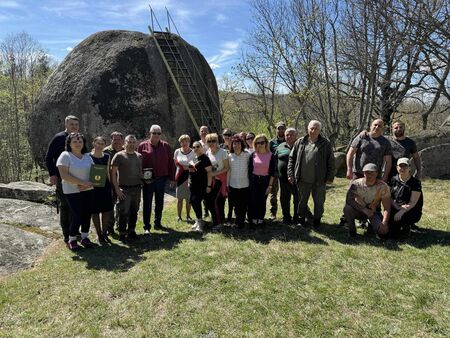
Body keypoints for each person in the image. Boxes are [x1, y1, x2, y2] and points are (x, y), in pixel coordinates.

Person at [288, 121, 335, 227]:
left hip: (319, 179)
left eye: (316, 128)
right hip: (302, 179)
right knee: (301, 201)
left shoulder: (325, 143)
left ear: (319, 130)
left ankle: (317, 220)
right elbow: (292, 158)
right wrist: (290, 174)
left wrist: (330, 177)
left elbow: (331, 161)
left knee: (319, 202)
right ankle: (301, 219)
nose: (313, 130)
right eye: (311, 128)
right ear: (307, 129)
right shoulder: (300, 142)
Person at [56, 133, 94, 250]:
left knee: (87, 214)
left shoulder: (87, 156)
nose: (78, 144)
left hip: (87, 189)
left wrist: (88, 184)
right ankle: (72, 239)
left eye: (80, 142)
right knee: (76, 215)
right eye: (75, 142)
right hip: (72, 191)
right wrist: (82, 184)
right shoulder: (65, 155)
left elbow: (94, 173)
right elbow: (64, 175)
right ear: (69, 143)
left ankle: (85, 237)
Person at [45, 115, 79, 243]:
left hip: (77, 178)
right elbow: (49, 157)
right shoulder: (59, 138)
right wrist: (52, 174)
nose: (74, 127)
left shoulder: (79, 139)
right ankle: (67, 234)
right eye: (71, 124)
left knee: (76, 205)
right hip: (62, 178)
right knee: (65, 206)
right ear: (66, 125)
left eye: (76, 124)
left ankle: (75, 231)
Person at [138, 125, 176, 234]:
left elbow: (171, 163)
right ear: (150, 133)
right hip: (148, 180)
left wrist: (172, 178)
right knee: (147, 203)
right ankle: (146, 226)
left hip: (161, 179)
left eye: (158, 133)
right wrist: (140, 177)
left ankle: (157, 222)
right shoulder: (142, 146)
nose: (156, 135)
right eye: (154, 133)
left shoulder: (166, 146)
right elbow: (138, 163)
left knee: (159, 202)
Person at [343, 163, 391, 238]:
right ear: (363, 174)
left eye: (372, 173)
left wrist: (384, 222)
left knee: (383, 232)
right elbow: (349, 200)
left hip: (374, 213)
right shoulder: (356, 184)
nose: (369, 175)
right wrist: (364, 209)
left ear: (377, 174)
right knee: (347, 208)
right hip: (359, 210)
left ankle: (372, 227)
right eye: (367, 173)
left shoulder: (383, 186)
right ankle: (352, 231)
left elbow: (387, 208)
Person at [111, 135, 143, 242]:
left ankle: (131, 231)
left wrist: (146, 177)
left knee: (135, 210)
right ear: (125, 143)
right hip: (124, 189)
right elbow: (113, 173)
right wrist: (117, 189)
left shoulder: (139, 156)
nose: (131, 144)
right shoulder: (119, 156)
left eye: (134, 142)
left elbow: (140, 172)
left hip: (137, 188)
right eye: (129, 142)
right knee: (123, 212)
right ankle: (122, 233)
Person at [389, 157, 423, 238]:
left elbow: (412, 203)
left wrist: (402, 211)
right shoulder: (393, 180)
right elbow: (389, 197)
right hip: (396, 207)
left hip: (410, 210)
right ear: (397, 167)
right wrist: (397, 207)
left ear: (410, 168)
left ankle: (407, 227)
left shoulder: (415, 183)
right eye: (400, 166)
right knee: (389, 233)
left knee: (402, 224)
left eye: (405, 166)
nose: (402, 168)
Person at [90, 136, 114, 243]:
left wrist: (111, 186)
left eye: (102, 144)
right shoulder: (87, 156)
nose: (99, 146)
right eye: (97, 143)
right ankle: (99, 235)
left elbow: (107, 172)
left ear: (105, 145)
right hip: (92, 187)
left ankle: (105, 234)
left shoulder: (107, 156)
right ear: (93, 143)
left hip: (105, 187)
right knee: (94, 212)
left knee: (106, 211)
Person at [248, 134, 277, 226]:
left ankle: (260, 219)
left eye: (262, 142)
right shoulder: (253, 155)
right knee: (253, 200)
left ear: (266, 143)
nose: (260, 144)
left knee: (262, 201)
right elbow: (249, 170)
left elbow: (272, 173)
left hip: (265, 181)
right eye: (257, 143)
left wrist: (270, 186)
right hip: (254, 180)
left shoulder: (271, 156)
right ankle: (253, 219)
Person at [205, 133, 229, 227]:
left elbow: (227, 168)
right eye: (209, 141)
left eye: (213, 141)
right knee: (211, 201)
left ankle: (219, 222)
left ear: (217, 141)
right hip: (210, 181)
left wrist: (214, 174)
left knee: (218, 202)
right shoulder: (207, 152)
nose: (211, 143)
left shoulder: (223, 152)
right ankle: (217, 221)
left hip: (220, 180)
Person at [103, 131, 125, 235]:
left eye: (118, 139)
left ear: (122, 140)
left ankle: (119, 225)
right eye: (114, 139)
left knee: (121, 205)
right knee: (109, 206)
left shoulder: (126, 150)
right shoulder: (106, 151)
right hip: (109, 183)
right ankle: (109, 227)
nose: (116, 141)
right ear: (111, 140)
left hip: (123, 183)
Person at [276, 128, 299, 224]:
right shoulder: (280, 146)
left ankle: (297, 218)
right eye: (287, 135)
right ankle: (286, 218)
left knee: (297, 199)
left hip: (296, 179)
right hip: (283, 179)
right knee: (284, 199)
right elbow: (275, 160)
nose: (289, 136)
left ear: (296, 136)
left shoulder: (300, 146)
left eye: (291, 134)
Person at [188, 141, 213, 232]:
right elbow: (190, 171)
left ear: (202, 147)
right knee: (194, 203)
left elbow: (209, 173)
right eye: (193, 147)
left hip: (202, 186)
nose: (195, 149)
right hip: (193, 186)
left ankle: (202, 223)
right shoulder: (194, 158)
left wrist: (209, 186)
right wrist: (189, 181)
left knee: (198, 202)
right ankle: (199, 220)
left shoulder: (205, 158)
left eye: (197, 146)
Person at [228, 136, 251, 228]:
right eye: (234, 144)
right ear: (232, 145)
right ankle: (238, 221)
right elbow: (228, 170)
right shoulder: (229, 156)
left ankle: (241, 221)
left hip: (245, 184)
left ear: (242, 145)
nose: (236, 145)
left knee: (244, 205)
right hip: (233, 184)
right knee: (236, 205)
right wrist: (227, 184)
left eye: (238, 143)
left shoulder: (247, 155)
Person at [174, 134, 195, 222]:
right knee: (179, 199)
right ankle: (179, 216)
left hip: (190, 177)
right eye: (182, 141)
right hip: (180, 177)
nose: (185, 143)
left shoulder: (193, 152)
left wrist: (184, 167)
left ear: (189, 142)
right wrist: (186, 166)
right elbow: (175, 163)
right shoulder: (177, 151)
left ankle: (188, 216)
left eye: (186, 141)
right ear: (180, 143)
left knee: (188, 198)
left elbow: (194, 166)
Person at [268, 122, 286, 219]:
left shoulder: (289, 140)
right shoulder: (272, 142)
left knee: (285, 194)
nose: (280, 130)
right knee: (273, 194)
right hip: (274, 171)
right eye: (279, 128)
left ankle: (285, 213)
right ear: (276, 130)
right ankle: (273, 213)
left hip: (285, 172)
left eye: (282, 128)